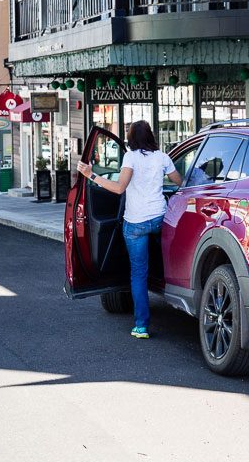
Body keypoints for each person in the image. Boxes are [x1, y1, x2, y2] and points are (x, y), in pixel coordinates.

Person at [77, 121, 182, 339]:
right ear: (151, 136)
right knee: (166, 261)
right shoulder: (162, 157)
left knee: (138, 274)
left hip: (136, 222)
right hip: (160, 218)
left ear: (132, 138)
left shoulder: (131, 157)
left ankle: (142, 326)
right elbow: (180, 183)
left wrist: (91, 175)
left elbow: (118, 188)